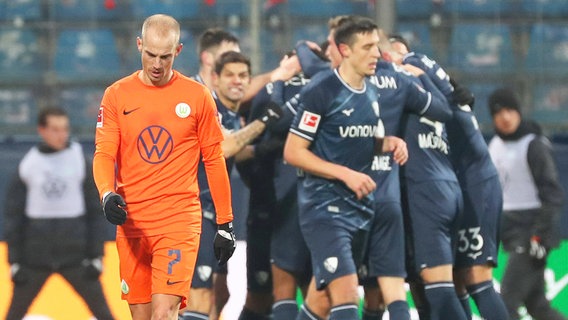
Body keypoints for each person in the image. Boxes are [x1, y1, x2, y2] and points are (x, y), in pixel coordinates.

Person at [92, 14, 236, 320]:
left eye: (165, 57)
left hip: (177, 221)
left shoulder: (197, 97)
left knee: (163, 314)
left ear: (178, 51)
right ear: (139, 45)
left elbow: (213, 158)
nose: (157, 64)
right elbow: (104, 153)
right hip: (132, 223)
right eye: (151, 55)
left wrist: (225, 224)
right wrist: (107, 194)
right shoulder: (117, 95)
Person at [283, 17, 408, 320]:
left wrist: (386, 142)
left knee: (321, 301)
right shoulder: (322, 90)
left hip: (359, 209)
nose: (376, 53)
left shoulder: (370, 90)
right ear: (344, 50)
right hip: (325, 208)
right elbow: (293, 151)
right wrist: (346, 174)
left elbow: (355, 137)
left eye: (376, 46)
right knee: (348, 294)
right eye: (367, 47)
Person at [389, 34, 509, 320]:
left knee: (475, 276)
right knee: (453, 277)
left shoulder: (413, 67)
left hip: (473, 183)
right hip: (456, 181)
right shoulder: (431, 81)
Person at [182, 51, 282, 320]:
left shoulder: (233, 114)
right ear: (215, 78)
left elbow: (239, 149)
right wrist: (263, 123)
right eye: (230, 75)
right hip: (194, 210)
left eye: (243, 76)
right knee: (199, 292)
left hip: (215, 212)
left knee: (219, 292)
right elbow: (225, 148)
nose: (237, 81)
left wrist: (267, 148)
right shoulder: (209, 107)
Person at [3, 107, 114, 320]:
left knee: (105, 314)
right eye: (54, 129)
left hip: (76, 256)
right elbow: (13, 216)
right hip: (35, 257)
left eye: (64, 129)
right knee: (13, 315)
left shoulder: (79, 161)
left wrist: (97, 255)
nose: (61, 134)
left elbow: (95, 211)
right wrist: (14, 260)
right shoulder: (29, 165)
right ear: (41, 130)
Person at [487, 87, 566, 320]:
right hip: (512, 233)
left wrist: (539, 236)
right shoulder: (495, 146)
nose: (505, 117)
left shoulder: (534, 145)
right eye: (498, 112)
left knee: (505, 305)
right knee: (537, 306)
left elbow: (552, 194)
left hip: (532, 235)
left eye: (510, 110)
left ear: (519, 112)